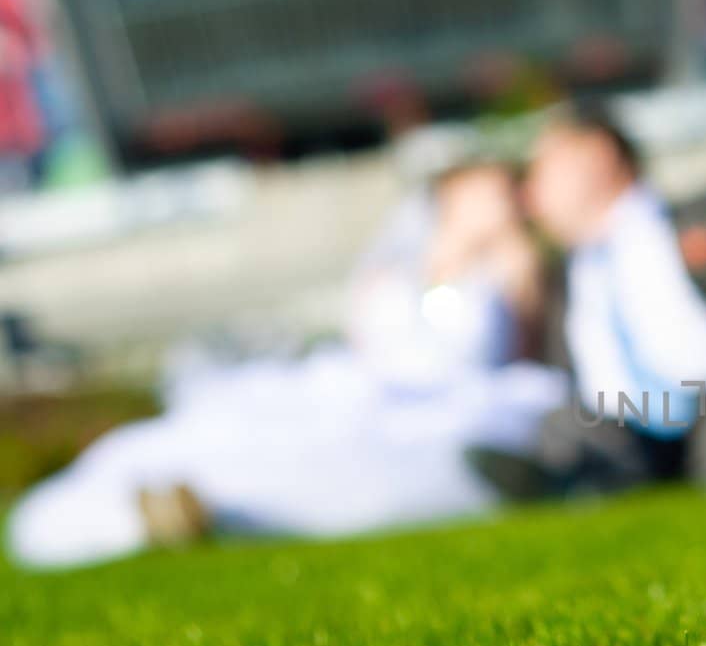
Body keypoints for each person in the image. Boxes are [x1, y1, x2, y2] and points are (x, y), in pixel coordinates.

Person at [5, 161, 569, 570]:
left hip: (441, 402)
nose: (506, 201)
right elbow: (371, 337)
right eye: (489, 190)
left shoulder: (514, 264)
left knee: (332, 467)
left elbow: (512, 356)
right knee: (216, 438)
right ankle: (133, 510)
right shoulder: (399, 270)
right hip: (369, 390)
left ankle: (198, 512)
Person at [477, 105, 706, 494]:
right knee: (569, 435)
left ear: (598, 154)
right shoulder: (564, 274)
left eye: (541, 170)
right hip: (616, 426)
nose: (530, 194)